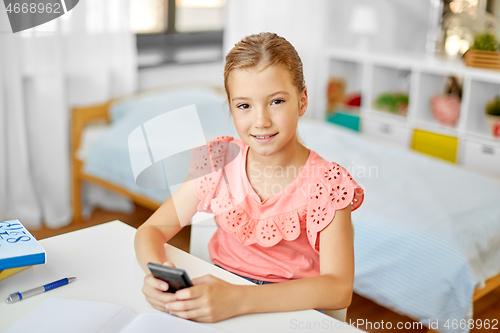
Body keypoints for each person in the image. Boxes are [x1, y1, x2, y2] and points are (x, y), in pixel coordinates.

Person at [134, 32, 364, 323]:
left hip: (291, 312)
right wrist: (157, 273)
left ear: (302, 101)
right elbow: (151, 230)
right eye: (244, 105)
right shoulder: (218, 160)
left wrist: (238, 299)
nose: (261, 121)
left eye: (277, 101)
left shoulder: (328, 183)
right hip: (221, 300)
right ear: (230, 108)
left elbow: (338, 288)